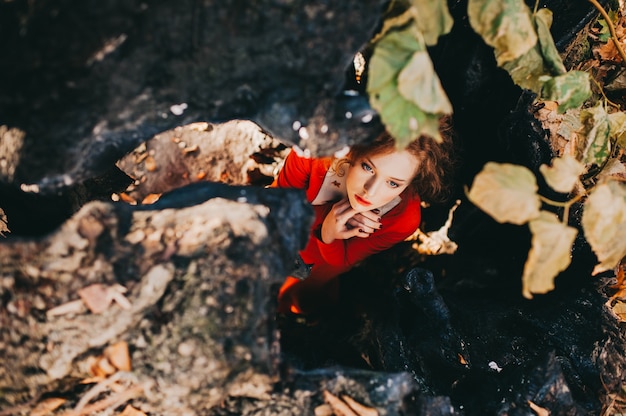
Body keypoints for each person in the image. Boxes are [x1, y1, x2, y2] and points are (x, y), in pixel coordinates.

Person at [271, 124, 455, 319]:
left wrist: (328, 234)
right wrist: (326, 216)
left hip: (317, 267)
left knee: (299, 300)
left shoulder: (403, 220)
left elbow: (341, 261)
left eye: (393, 183)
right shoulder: (313, 154)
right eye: (367, 167)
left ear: (412, 183)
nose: (371, 191)